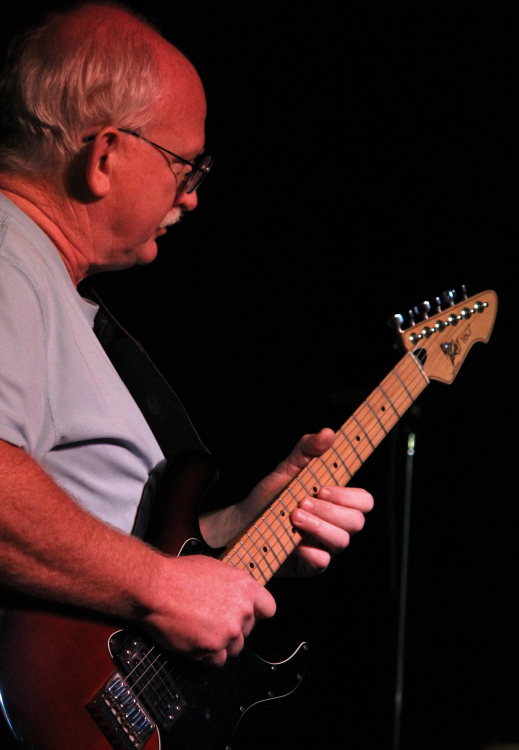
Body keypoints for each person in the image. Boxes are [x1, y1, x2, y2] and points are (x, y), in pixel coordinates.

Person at [0, 0, 372, 703]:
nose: (192, 196)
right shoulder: (8, 258)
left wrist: (240, 526)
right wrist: (161, 587)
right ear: (104, 156)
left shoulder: (46, 283)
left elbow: (97, 535)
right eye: (185, 166)